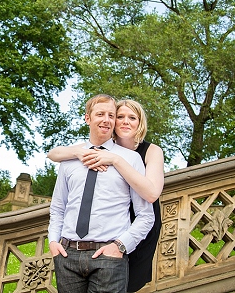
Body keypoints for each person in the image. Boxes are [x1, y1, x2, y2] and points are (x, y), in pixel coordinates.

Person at [48, 99, 165, 292]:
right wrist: (53, 240)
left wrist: (119, 246)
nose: (122, 121)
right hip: (68, 254)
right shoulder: (72, 159)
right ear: (88, 118)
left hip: (117, 247)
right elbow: (59, 206)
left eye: (112, 115)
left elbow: (150, 199)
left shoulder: (139, 155)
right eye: (119, 116)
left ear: (140, 123)